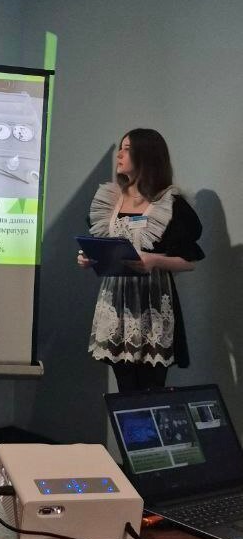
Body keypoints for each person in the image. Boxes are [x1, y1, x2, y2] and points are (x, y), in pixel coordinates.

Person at [77, 128, 204, 391]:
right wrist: (92, 258)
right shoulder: (111, 199)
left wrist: (154, 260)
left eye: (127, 149)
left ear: (146, 155)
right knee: (125, 388)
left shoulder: (169, 203)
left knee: (152, 388)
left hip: (152, 303)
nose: (119, 155)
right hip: (116, 304)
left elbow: (189, 260)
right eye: (120, 148)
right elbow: (110, 248)